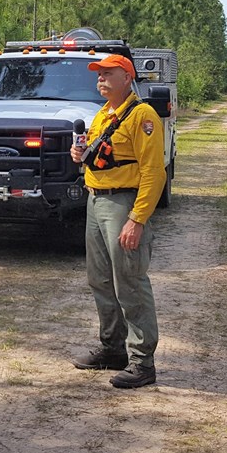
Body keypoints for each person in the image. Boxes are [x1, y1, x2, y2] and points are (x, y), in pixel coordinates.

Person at [70, 53, 166, 389]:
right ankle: (113, 349)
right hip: (96, 202)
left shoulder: (143, 116)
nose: (101, 79)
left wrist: (137, 218)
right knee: (99, 279)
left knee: (129, 280)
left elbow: (155, 172)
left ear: (127, 77)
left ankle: (142, 362)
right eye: (98, 75)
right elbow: (102, 158)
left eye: (108, 73)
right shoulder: (102, 115)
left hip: (124, 203)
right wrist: (81, 157)